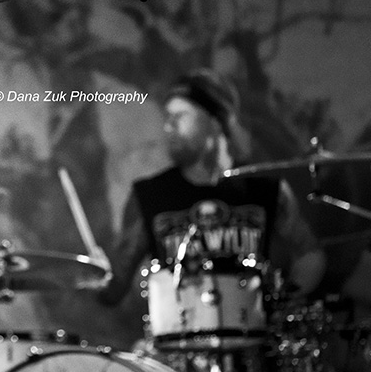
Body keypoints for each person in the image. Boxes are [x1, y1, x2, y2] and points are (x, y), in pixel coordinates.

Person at [94, 68, 326, 306]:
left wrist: (284, 299)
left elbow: (309, 255)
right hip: (179, 325)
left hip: (251, 322)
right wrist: (98, 275)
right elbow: (119, 282)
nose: (168, 126)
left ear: (215, 122)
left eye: (180, 116)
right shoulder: (148, 195)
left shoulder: (264, 188)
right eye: (167, 117)